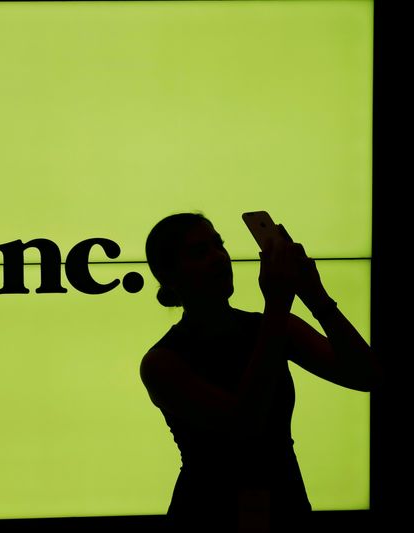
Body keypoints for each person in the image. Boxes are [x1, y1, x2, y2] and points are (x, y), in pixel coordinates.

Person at [139, 213, 382, 532]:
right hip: (212, 516)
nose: (218, 258)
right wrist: (279, 304)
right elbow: (244, 423)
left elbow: (367, 377)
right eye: (200, 252)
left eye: (219, 245)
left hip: (278, 506)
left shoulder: (270, 326)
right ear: (168, 275)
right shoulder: (162, 363)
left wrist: (315, 296)